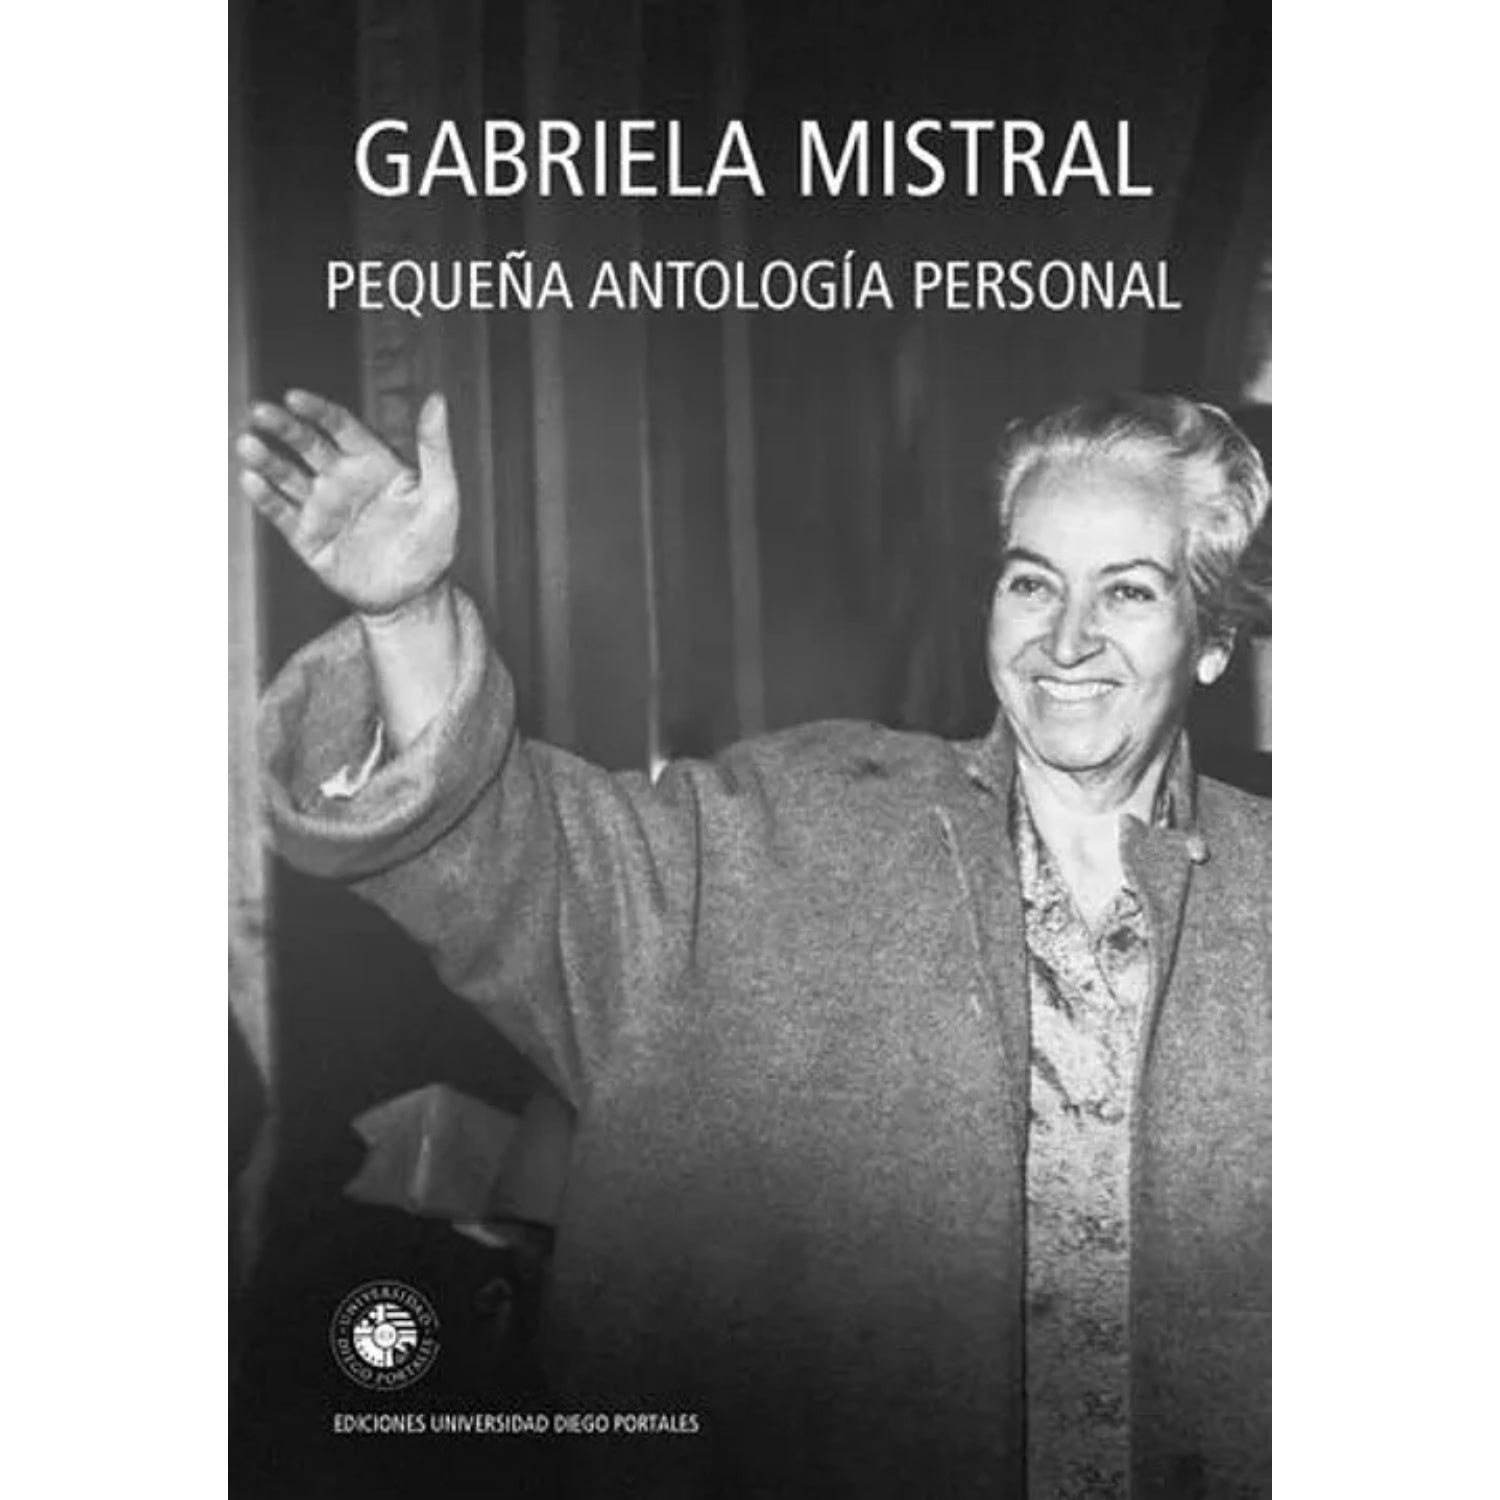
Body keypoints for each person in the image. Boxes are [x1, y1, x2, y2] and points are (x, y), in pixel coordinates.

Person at [243, 387, 1270, 1498]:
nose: (1065, 640)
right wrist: (407, 616)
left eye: (1128, 591)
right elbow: (514, 860)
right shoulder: (792, 831)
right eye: (1032, 583)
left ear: (1213, 639)